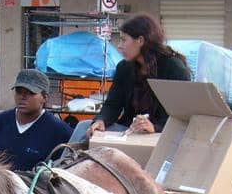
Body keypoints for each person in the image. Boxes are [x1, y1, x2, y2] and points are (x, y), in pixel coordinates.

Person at [75, 13, 192, 141]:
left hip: (160, 135)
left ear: (140, 41)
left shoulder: (173, 68)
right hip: (128, 130)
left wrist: (154, 127)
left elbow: (181, 115)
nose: (119, 46)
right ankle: (58, 161)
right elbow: (113, 104)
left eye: (124, 40)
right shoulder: (124, 68)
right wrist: (101, 120)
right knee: (84, 127)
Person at [0, 69, 71, 171]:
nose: (23, 97)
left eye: (30, 93)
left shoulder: (60, 131)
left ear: (44, 97)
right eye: (19, 91)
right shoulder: (0, 121)